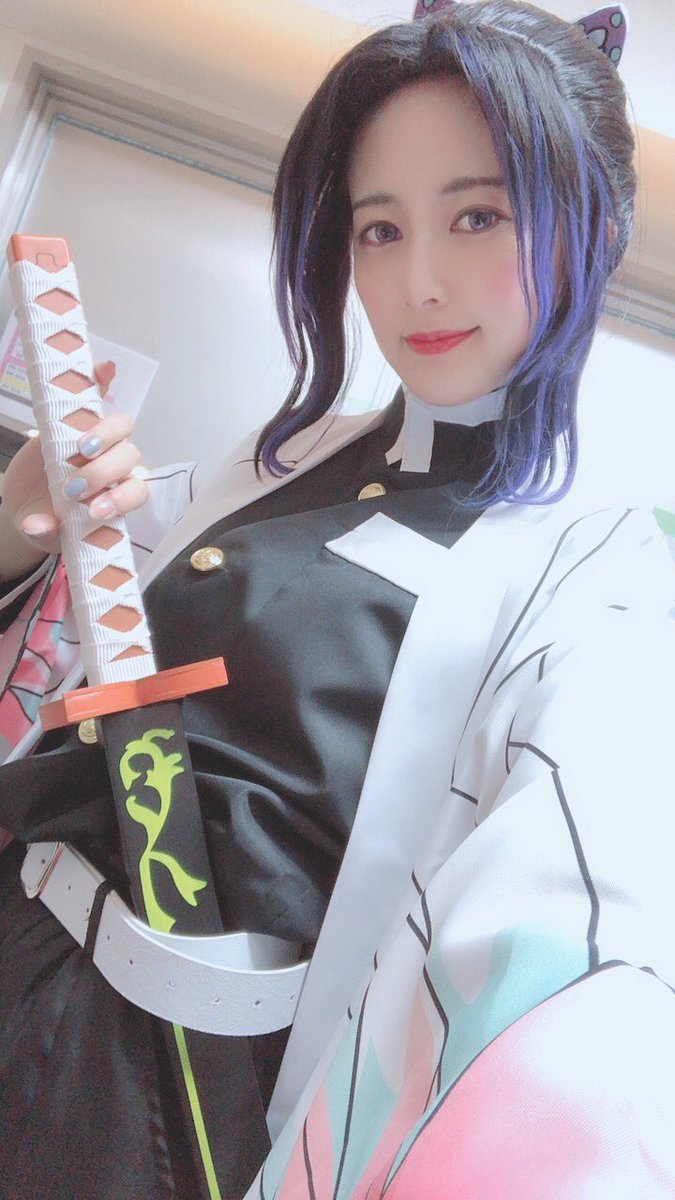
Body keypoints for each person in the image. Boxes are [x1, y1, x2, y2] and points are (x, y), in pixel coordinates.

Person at [1, 1, 674, 1197]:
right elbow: (94, 593)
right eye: (379, 227)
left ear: (599, 229)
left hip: (144, 1102)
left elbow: (564, 941)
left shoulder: (600, 580)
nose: (418, 282)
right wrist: (23, 522)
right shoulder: (278, 462)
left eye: (479, 215)